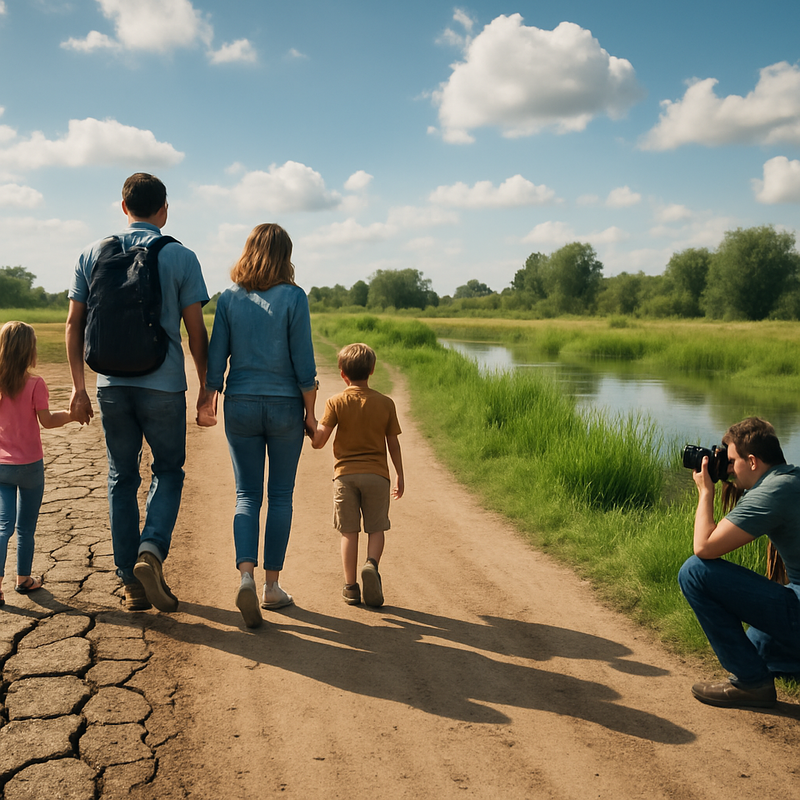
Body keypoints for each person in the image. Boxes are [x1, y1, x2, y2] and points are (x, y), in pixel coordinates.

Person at [66, 173, 212, 613]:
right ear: (164, 210)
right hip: (164, 386)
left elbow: (75, 325)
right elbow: (195, 331)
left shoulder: (92, 252)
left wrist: (78, 389)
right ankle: (151, 550)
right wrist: (207, 387)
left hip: (110, 385)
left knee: (121, 479)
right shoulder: (180, 256)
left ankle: (130, 583)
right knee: (168, 471)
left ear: (123, 206)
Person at [206, 223, 317, 629]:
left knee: (247, 494)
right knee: (281, 495)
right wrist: (311, 412)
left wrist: (209, 398)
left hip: (240, 405)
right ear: (286, 255)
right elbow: (304, 362)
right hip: (286, 404)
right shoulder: (294, 297)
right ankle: (272, 587)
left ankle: (246, 578)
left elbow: (217, 356)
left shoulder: (230, 299)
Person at [678, 417, 800, 708]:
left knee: (695, 573)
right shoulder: (790, 480)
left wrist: (706, 491)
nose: (729, 469)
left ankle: (752, 685)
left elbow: (704, 548)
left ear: (753, 461)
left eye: (732, 461)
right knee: (758, 647)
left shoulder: (772, 493)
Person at [312, 343, 404, 607]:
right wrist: (399, 475)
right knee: (376, 528)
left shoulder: (336, 402)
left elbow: (319, 441)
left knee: (348, 532)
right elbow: (393, 444)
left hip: (345, 477)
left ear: (342, 373)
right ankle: (371, 565)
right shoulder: (386, 403)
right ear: (372, 370)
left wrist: (308, 426)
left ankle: (351, 587)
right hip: (377, 476)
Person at [0, 321, 79, 605]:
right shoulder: (35, 383)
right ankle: (23, 579)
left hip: (1, 468)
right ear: (29, 351)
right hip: (30, 467)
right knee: (25, 529)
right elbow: (46, 421)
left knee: (2, 527)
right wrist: (72, 415)